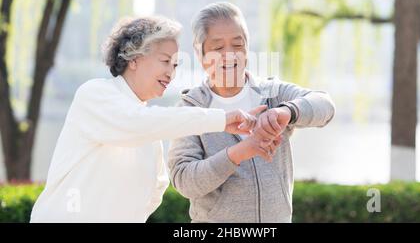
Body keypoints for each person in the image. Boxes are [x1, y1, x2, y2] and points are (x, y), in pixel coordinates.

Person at [30, 16, 267, 222]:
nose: (171, 73)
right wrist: (222, 119)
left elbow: (157, 188)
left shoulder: (149, 129)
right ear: (134, 58)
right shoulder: (94, 95)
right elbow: (136, 123)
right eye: (165, 61)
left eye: (175, 65)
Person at [168, 2, 336, 223]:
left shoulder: (272, 94)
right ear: (200, 53)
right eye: (218, 48)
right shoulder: (191, 109)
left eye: (237, 44)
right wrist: (239, 152)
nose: (230, 55)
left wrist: (287, 112)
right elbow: (184, 181)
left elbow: (325, 106)